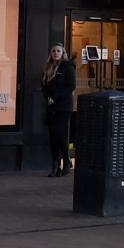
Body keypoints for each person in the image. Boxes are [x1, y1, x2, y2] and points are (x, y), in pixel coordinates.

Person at [41, 44, 76, 177]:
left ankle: (66, 161)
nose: (56, 53)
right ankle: (55, 165)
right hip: (51, 107)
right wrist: (48, 97)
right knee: (52, 137)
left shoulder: (67, 67)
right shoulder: (47, 68)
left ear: (63, 53)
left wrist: (55, 97)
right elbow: (43, 86)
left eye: (58, 51)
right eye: (54, 51)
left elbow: (71, 87)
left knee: (59, 135)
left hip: (63, 107)